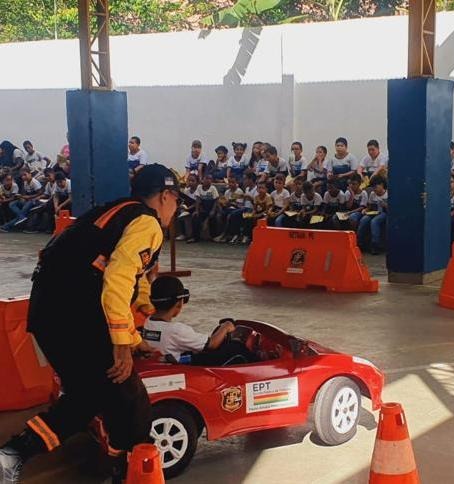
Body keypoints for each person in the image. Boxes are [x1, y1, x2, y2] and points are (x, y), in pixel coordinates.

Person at [0, 164, 179, 483]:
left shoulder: (114, 213)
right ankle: (130, 471)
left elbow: (130, 280)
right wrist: (123, 344)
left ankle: (13, 455)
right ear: (165, 196)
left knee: (87, 397)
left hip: (46, 314)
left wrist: (140, 326)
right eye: (177, 201)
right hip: (76, 314)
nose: (176, 210)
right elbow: (118, 278)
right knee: (130, 398)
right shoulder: (146, 224)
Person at [142, 276, 271, 366]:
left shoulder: (149, 322)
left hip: (168, 360)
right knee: (235, 349)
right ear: (179, 304)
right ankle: (262, 362)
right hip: (180, 369)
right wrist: (225, 326)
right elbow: (212, 344)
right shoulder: (176, 330)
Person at [357, 177, 387, 254]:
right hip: (373, 212)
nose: (374, 190)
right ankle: (360, 243)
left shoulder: (387, 194)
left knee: (374, 222)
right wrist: (365, 210)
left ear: (381, 185)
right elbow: (369, 206)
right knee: (363, 220)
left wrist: (385, 205)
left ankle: (375, 245)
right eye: (373, 188)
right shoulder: (372, 194)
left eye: (376, 187)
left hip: (384, 213)